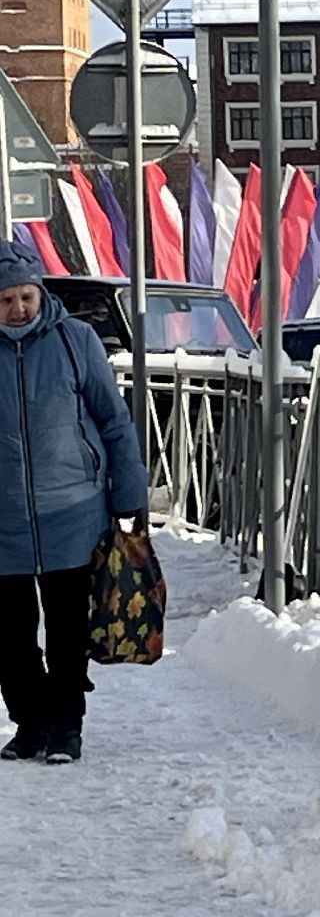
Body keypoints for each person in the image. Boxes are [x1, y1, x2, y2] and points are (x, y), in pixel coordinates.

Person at [0, 239, 147, 765]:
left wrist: (129, 495)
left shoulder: (75, 340)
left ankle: (65, 727)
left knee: (67, 631)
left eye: (26, 297)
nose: (18, 309)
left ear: (41, 294)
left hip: (73, 512)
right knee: (10, 639)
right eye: (6, 300)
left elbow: (114, 421)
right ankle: (29, 723)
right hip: (4, 520)